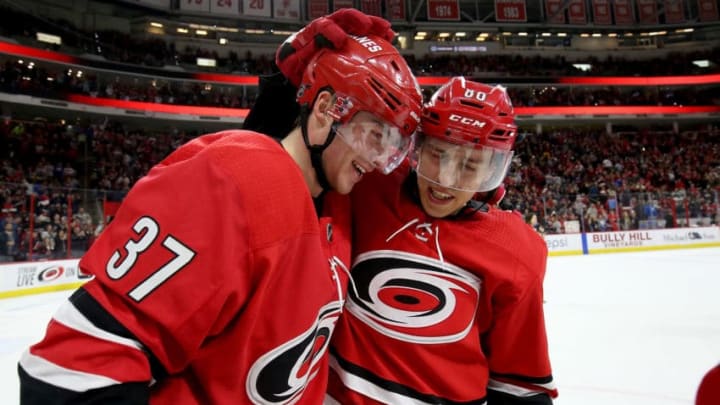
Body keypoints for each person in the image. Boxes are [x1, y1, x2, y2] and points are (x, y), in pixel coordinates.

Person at [17, 10, 423, 404]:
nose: (380, 157)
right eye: (375, 134)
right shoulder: (237, 180)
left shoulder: (335, 202)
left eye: (391, 141)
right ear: (325, 110)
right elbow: (72, 374)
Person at [326, 77, 558, 404]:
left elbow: (519, 384)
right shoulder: (368, 185)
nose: (446, 179)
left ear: (492, 169)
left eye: (470, 165)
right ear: (417, 148)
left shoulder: (516, 249)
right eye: (438, 154)